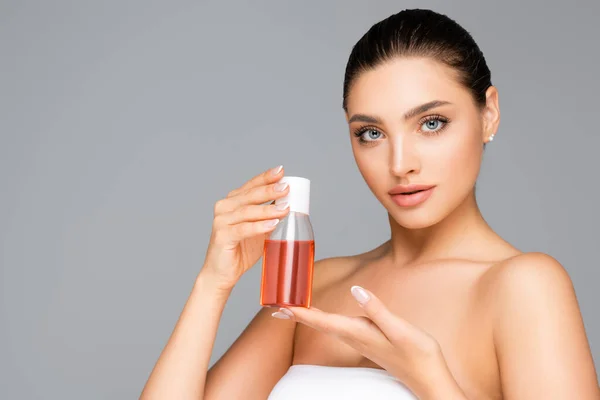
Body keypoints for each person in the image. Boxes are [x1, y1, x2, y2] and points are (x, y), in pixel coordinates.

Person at [140, 8, 599, 399]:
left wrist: (430, 379)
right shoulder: (313, 287)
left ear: (489, 113)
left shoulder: (524, 287)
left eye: (432, 123)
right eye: (371, 133)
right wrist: (212, 285)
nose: (401, 164)